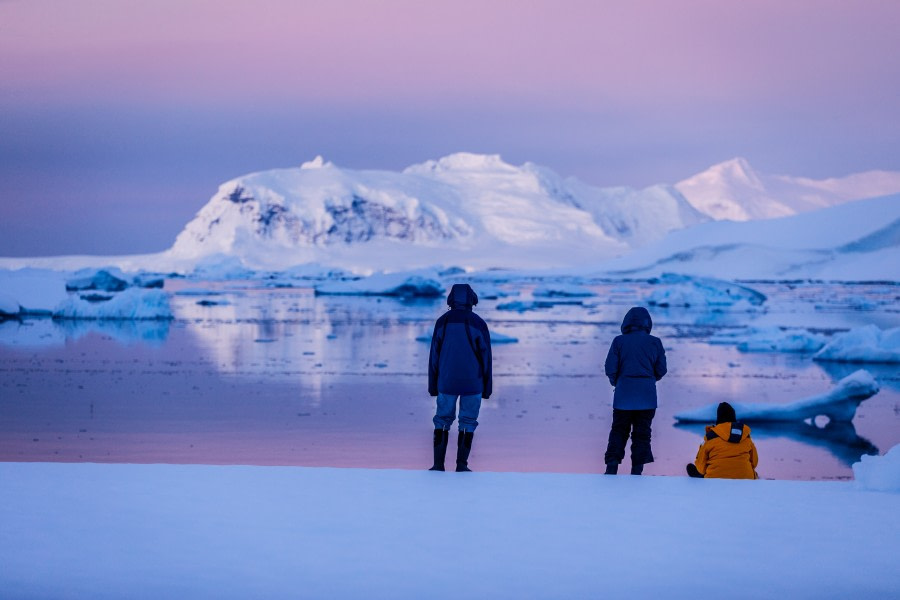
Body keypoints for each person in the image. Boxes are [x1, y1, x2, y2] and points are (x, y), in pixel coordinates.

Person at [427, 283, 492, 472]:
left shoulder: (443, 322)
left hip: (446, 382)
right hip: (473, 383)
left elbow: (434, 357)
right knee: (468, 421)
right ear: (472, 299)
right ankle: (461, 465)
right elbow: (486, 357)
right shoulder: (478, 323)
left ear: (451, 300)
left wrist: (433, 386)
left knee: (442, 419)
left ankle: (438, 465)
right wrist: (487, 388)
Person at [603, 306, 667, 475]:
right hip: (647, 398)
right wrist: (649, 380)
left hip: (623, 396)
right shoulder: (655, 342)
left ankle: (612, 466)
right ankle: (637, 471)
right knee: (642, 433)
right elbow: (661, 369)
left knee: (618, 430)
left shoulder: (619, 341)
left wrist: (618, 382)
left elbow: (610, 367)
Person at [686, 402, 759, 479]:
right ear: (733, 418)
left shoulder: (710, 437)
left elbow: (701, 468)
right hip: (746, 478)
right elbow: (754, 462)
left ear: (719, 418)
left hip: (714, 479)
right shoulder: (745, 436)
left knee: (698, 471)